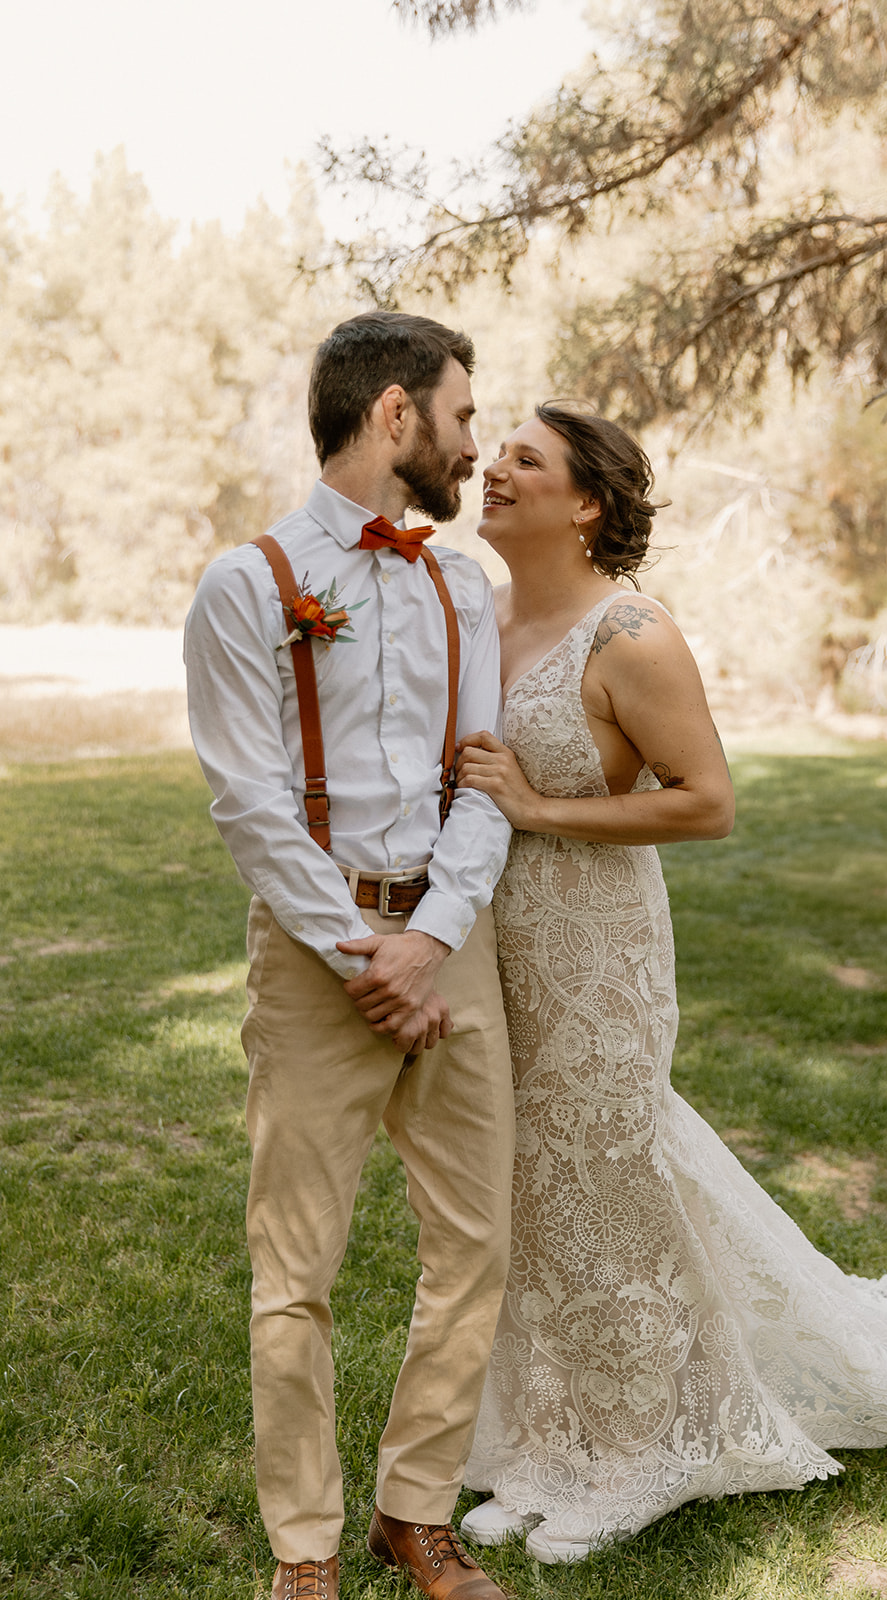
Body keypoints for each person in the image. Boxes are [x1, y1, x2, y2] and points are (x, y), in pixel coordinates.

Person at [452, 403, 887, 1565]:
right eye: (495, 454)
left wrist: (538, 808)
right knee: (525, 1188)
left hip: (593, 944)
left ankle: (639, 1452)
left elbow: (706, 799)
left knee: (609, 1176)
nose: (493, 468)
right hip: (491, 940)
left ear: (585, 503)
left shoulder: (628, 631)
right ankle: (539, 1442)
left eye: (523, 459)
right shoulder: (475, 617)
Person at [184, 311, 516, 1600]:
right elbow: (250, 801)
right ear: (395, 415)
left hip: (450, 941)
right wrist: (357, 951)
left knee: (475, 1240)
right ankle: (304, 1547)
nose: (472, 444)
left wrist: (428, 940)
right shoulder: (247, 583)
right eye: (462, 415)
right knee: (297, 1267)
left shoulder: (464, 586)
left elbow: (485, 781)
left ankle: (414, 1510)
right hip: (316, 958)